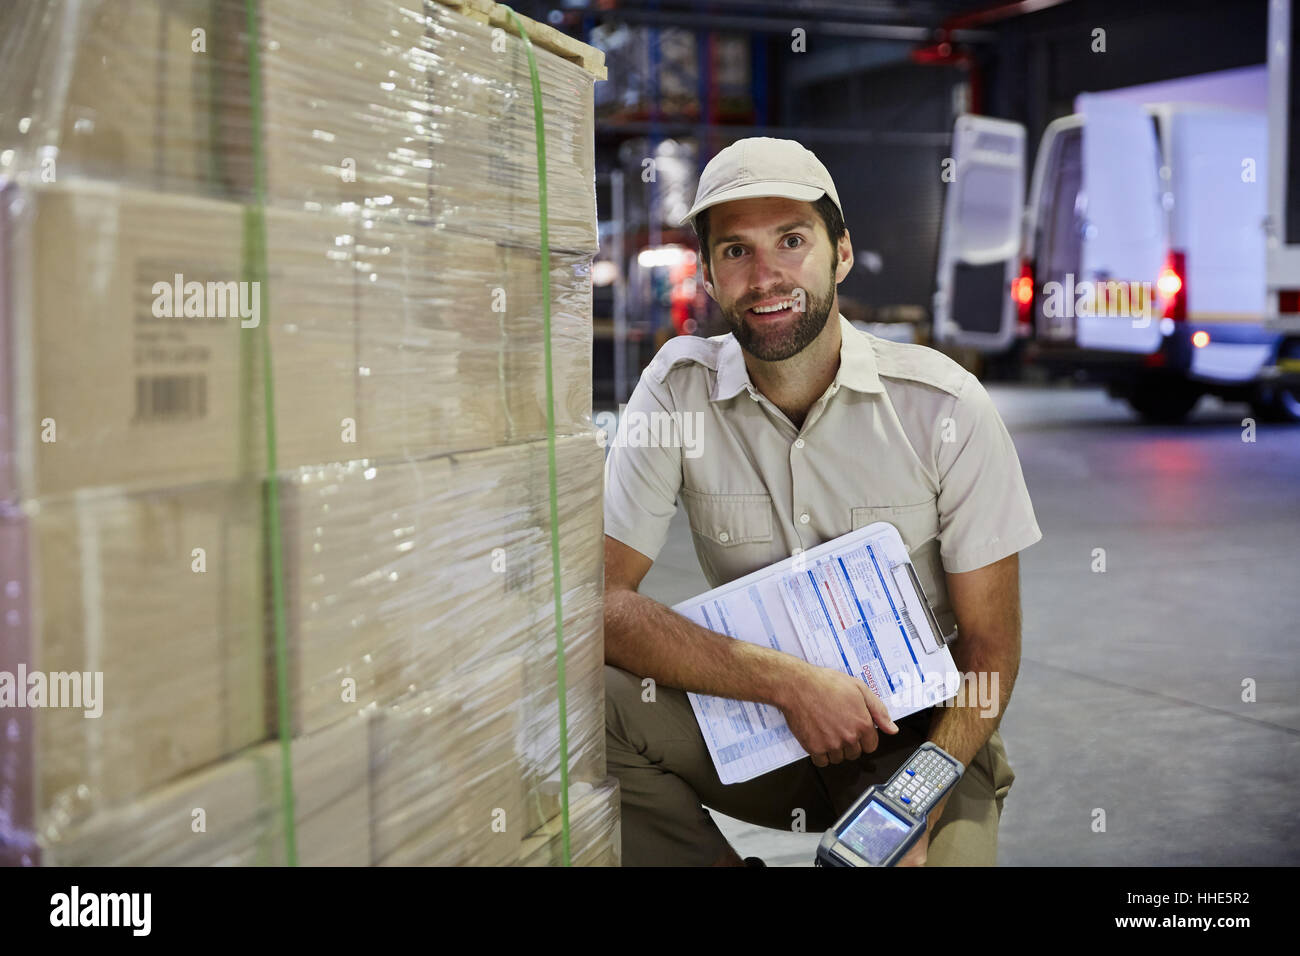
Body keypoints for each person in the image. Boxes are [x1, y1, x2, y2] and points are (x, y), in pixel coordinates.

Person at [602, 137, 1042, 866]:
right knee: (577, 708)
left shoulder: (945, 406)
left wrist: (913, 802)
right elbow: (603, 603)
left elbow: (992, 652)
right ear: (708, 275)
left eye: (792, 240)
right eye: (736, 251)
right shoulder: (676, 393)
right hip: (761, 720)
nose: (766, 275)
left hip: (922, 733)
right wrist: (787, 683)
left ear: (839, 253)